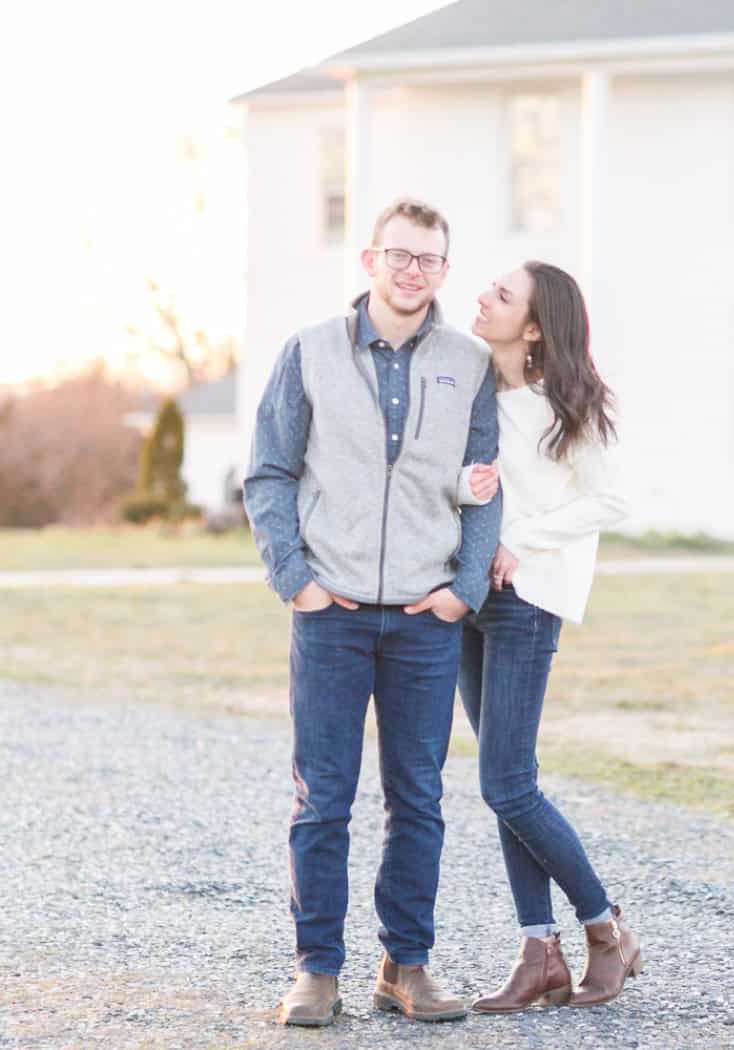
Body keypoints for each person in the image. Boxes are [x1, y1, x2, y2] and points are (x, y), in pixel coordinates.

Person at [243, 198, 500, 1027]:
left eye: (429, 258)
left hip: (427, 620)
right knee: (323, 799)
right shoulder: (310, 352)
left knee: (418, 799)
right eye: (400, 254)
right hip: (331, 615)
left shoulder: (469, 361)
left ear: (444, 270)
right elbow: (270, 473)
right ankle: (316, 970)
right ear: (370, 260)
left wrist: (466, 589)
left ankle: (407, 965)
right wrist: (296, 580)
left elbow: (486, 480)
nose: (412, 270)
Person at [454, 261, 639, 1012]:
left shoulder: (567, 404)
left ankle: (605, 930)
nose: (482, 297)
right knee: (507, 785)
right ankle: (540, 952)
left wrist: (521, 539)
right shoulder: (473, 389)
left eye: (501, 295)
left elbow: (613, 499)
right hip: (470, 598)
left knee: (506, 782)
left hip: (528, 600)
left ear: (533, 326)